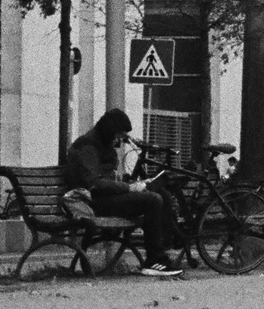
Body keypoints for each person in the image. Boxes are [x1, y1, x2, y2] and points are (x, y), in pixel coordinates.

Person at [61, 109, 184, 278]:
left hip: (106, 198)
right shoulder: (87, 146)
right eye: (119, 135)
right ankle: (155, 260)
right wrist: (129, 188)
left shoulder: (103, 146)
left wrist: (135, 184)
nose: (120, 140)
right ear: (109, 131)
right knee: (152, 200)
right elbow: (94, 184)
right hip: (93, 203)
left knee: (160, 193)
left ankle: (164, 251)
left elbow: (109, 179)